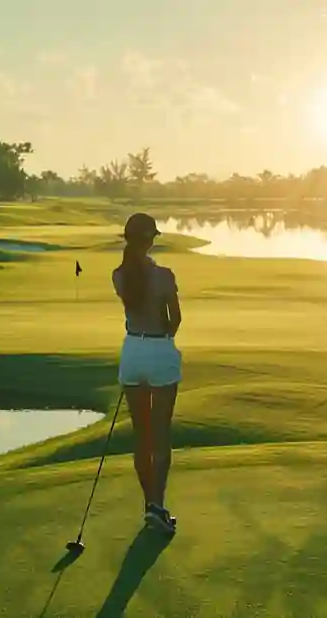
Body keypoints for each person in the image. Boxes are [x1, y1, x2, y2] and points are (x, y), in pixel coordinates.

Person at [112, 212, 182, 534]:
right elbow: (174, 320)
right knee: (161, 433)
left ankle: (150, 505)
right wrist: (164, 332)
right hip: (158, 349)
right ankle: (158, 506)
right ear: (150, 240)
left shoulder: (119, 275)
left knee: (142, 435)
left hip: (132, 352)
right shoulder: (164, 276)